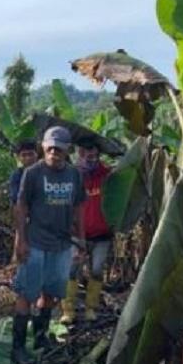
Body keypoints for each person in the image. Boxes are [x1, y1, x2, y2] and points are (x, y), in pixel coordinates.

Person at [11, 126, 86, 364]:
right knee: (26, 293)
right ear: (43, 147)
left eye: (59, 149)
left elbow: (78, 208)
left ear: (67, 151)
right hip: (36, 241)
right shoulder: (33, 173)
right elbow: (21, 206)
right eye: (50, 147)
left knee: (52, 292)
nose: (54, 152)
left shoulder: (74, 175)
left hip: (62, 244)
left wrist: (81, 239)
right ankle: (18, 347)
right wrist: (21, 240)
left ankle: (41, 337)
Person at [61, 136, 113, 323]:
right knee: (72, 270)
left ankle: (91, 308)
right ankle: (68, 310)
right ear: (78, 154)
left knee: (97, 271)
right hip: (76, 235)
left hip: (102, 234)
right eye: (84, 154)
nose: (89, 159)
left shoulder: (107, 175)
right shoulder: (71, 176)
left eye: (93, 155)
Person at [9, 140, 39, 205]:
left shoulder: (46, 171)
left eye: (31, 154)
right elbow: (15, 197)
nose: (28, 158)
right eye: (24, 155)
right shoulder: (16, 175)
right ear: (19, 157)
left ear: (37, 154)